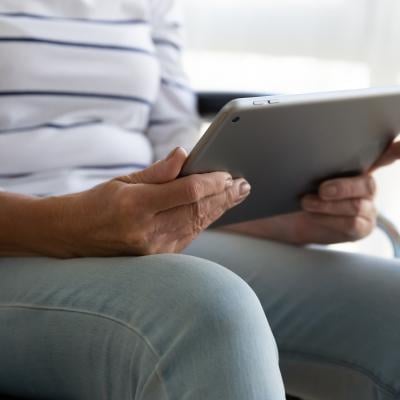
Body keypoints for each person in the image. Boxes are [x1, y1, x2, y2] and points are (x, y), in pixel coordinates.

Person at [0, 1, 400, 399]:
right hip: (16, 244)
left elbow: (170, 159)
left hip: (135, 237)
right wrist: (68, 225)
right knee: (209, 309)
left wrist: (280, 217)